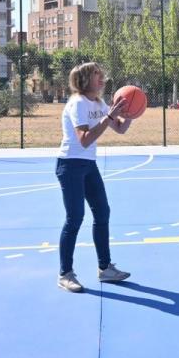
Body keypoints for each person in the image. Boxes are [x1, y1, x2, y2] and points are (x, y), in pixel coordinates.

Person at [55, 62, 132, 293]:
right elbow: (85, 139)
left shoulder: (99, 102)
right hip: (70, 165)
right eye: (97, 75)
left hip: (89, 165)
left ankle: (105, 268)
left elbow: (120, 128)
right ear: (84, 80)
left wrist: (130, 113)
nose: (102, 79)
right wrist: (108, 118)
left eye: (102, 75)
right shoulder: (77, 103)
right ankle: (65, 274)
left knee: (102, 212)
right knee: (75, 217)